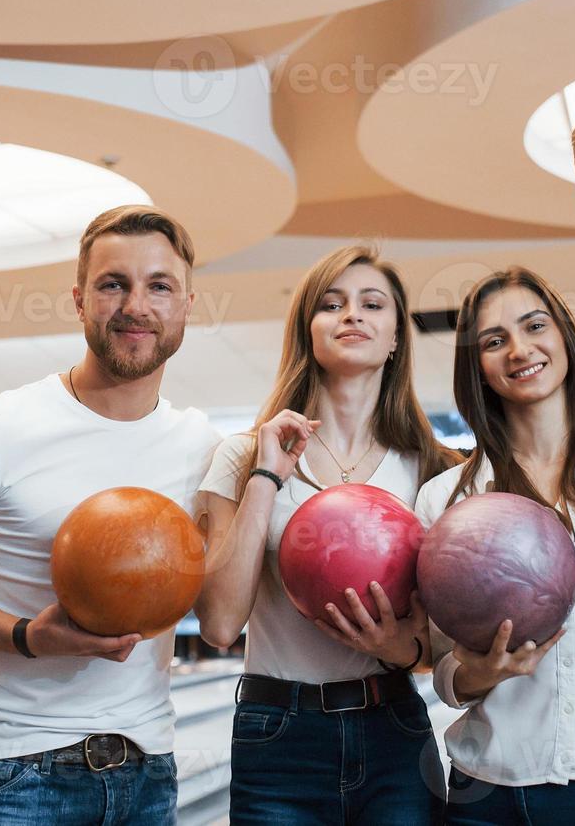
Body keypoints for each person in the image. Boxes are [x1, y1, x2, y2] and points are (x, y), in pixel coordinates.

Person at [0, 205, 220, 825]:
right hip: (18, 774)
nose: (136, 304)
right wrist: (26, 636)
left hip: (149, 772)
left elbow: (218, 608)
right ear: (80, 301)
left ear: (187, 304)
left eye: (159, 285)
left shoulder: (202, 445)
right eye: (113, 284)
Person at [194, 244, 460, 824]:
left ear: (395, 337)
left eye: (372, 304)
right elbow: (217, 624)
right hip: (278, 732)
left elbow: (442, 640)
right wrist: (267, 475)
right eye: (331, 304)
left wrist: (400, 650)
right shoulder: (240, 457)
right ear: (307, 330)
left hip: (392, 728)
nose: (352, 315)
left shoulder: (434, 469)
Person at [415, 266, 575, 825]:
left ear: (565, 338)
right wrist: (483, 674)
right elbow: (443, 668)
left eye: (535, 325)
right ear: (476, 367)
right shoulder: (447, 500)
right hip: (488, 792)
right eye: (494, 340)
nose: (519, 350)